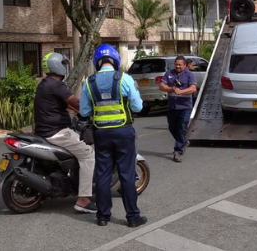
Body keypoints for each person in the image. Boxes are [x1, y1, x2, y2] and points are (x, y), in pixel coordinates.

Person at [80, 44, 146, 228]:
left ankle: (103, 216)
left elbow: (84, 111)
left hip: (101, 134)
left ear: (97, 62)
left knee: (102, 175)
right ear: (115, 60)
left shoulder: (88, 82)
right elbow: (138, 107)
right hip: (124, 132)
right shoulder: (124, 78)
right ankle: (133, 217)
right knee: (126, 175)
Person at [33, 52, 97, 214]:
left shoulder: (44, 84)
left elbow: (61, 105)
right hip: (57, 132)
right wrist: (93, 110)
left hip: (44, 130)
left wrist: (76, 110)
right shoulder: (57, 85)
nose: (65, 67)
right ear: (57, 66)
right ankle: (83, 199)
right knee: (88, 154)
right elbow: (75, 102)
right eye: (63, 63)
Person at [159, 55, 197, 162]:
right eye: (176, 64)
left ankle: (178, 151)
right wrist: (171, 89)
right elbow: (161, 86)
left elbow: (193, 88)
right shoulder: (169, 74)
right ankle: (184, 141)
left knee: (181, 129)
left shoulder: (190, 75)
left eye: (180, 65)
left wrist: (181, 91)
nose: (178, 66)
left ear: (185, 65)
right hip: (172, 107)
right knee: (172, 128)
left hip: (185, 107)